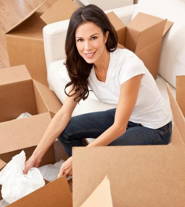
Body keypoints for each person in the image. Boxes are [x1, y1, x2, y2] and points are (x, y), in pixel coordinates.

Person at [24, 4, 172, 178]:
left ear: (105, 36)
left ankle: (92, 173)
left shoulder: (129, 66)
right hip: (128, 116)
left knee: (101, 156)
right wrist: (36, 155)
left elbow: (119, 127)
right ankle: (86, 174)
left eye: (93, 37)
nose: (87, 47)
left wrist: (84, 156)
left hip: (154, 127)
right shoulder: (84, 66)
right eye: (80, 40)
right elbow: (64, 114)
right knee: (66, 130)